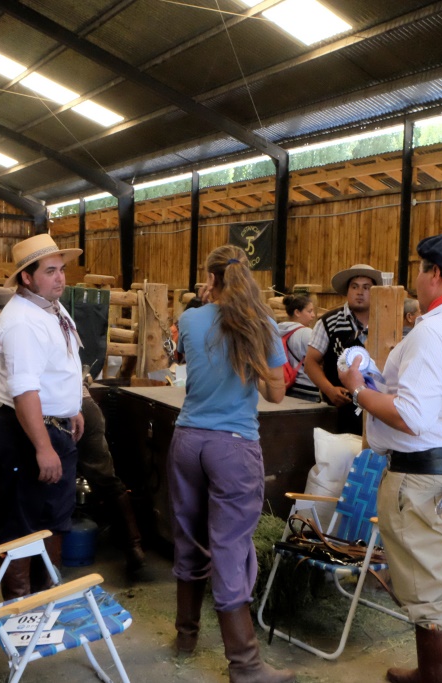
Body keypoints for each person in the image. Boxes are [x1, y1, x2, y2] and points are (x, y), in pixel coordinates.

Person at [339, 234, 442, 683]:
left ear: (434, 274)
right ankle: (427, 672)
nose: (416, 280)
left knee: (432, 599)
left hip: (422, 482)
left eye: (420, 270)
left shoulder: (435, 331)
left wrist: (358, 389)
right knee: (436, 582)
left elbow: (412, 417)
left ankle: (436, 678)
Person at [0, 284, 147, 576]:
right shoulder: (39, 320)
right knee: (104, 478)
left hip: (53, 417)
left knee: (32, 501)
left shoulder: (16, 330)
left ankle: (31, 573)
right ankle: (133, 545)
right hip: (83, 405)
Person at [168, 245, 294, 683]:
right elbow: (275, 394)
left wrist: (206, 305)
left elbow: (186, 359)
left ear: (210, 278)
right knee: (230, 547)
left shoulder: (190, 319)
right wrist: (251, 362)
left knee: (188, 536)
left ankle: (185, 637)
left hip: (187, 440)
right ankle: (245, 664)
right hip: (233, 445)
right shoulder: (262, 324)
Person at [0, 234, 85, 600]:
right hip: (27, 432)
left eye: (61, 269)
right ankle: (20, 611)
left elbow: (58, 366)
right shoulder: (23, 322)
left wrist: (72, 408)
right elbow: (25, 390)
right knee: (22, 523)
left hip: (51, 426)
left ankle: (45, 602)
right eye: (50, 271)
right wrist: (43, 447)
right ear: (27, 277)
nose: (60, 278)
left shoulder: (49, 307)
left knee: (53, 517)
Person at [305, 263, 382, 434]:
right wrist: (329, 390)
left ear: (375, 292)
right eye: (354, 287)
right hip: (338, 409)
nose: (360, 292)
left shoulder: (386, 322)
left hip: (377, 410)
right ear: (347, 291)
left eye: (366, 287)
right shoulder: (328, 322)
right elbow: (310, 362)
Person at [277, 293, 319, 401]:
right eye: (309, 311)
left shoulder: (278, 331)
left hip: (288, 387)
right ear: (297, 312)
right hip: (308, 387)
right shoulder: (307, 333)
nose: (313, 315)